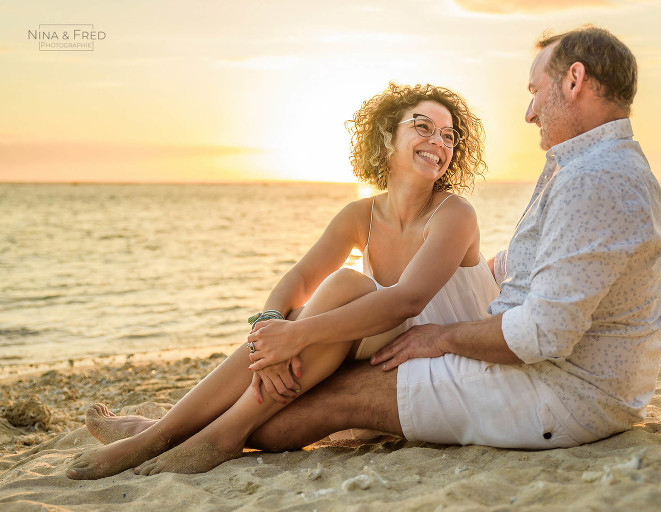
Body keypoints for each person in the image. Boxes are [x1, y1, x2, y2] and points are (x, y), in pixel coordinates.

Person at [188, 25, 661, 453]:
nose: (530, 110)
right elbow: (549, 262)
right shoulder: (585, 167)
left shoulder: (595, 177)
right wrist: (275, 327)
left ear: (574, 80)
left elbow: (539, 334)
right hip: (567, 380)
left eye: (535, 89)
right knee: (317, 319)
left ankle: (195, 436)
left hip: (559, 395)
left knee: (286, 419)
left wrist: (440, 338)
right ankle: (169, 431)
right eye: (422, 127)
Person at [67, 82, 499, 479]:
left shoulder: (455, 214)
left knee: (344, 288)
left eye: (448, 136)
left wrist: (293, 335)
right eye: (423, 127)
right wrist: (269, 330)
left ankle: (186, 433)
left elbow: (407, 300)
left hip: (436, 353)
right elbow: (301, 276)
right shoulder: (361, 214)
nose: (438, 142)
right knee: (310, 304)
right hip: (379, 346)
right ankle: (156, 436)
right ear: (388, 136)